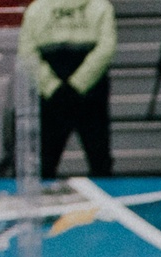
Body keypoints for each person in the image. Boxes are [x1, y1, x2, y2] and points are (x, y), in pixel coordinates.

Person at [21, 0, 116, 180]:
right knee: (97, 164)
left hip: (65, 96)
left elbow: (27, 52)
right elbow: (26, 53)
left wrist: (53, 87)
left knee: (97, 162)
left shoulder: (35, 9)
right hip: (88, 92)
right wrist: (76, 86)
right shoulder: (102, 6)